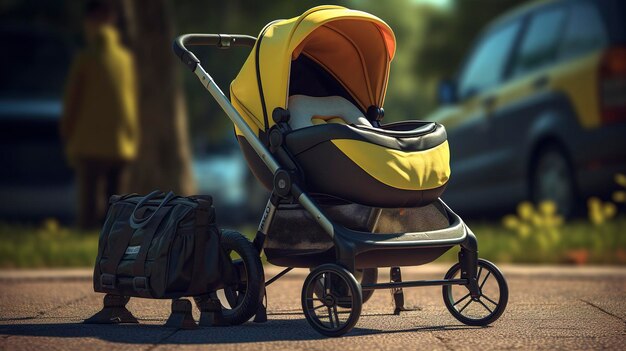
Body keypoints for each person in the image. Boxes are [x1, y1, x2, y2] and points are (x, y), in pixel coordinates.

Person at [61, 0, 139, 229]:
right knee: (116, 207)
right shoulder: (126, 60)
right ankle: (113, 247)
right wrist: (131, 137)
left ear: (92, 21)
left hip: (88, 144)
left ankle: (87, 242)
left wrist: (67, 132)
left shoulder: (85, 58)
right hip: (120, 144)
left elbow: (72, 102)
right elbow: (131, 103)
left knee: (87, 206)